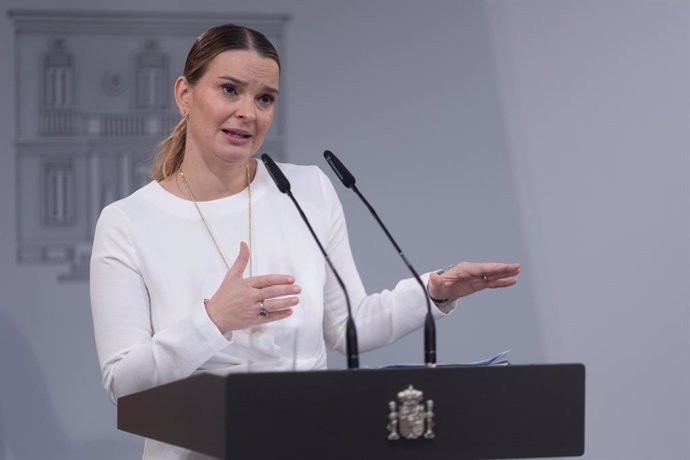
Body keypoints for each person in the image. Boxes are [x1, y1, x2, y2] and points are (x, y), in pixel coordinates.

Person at [90, 24, 521, 460]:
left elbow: (349, 327)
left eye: (264, 98)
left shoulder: (304, 190)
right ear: (184, 94)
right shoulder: (129, 222)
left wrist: (433, 290)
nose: (247, 112)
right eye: (229, 89)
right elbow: (124, 383)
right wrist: (214, 320)